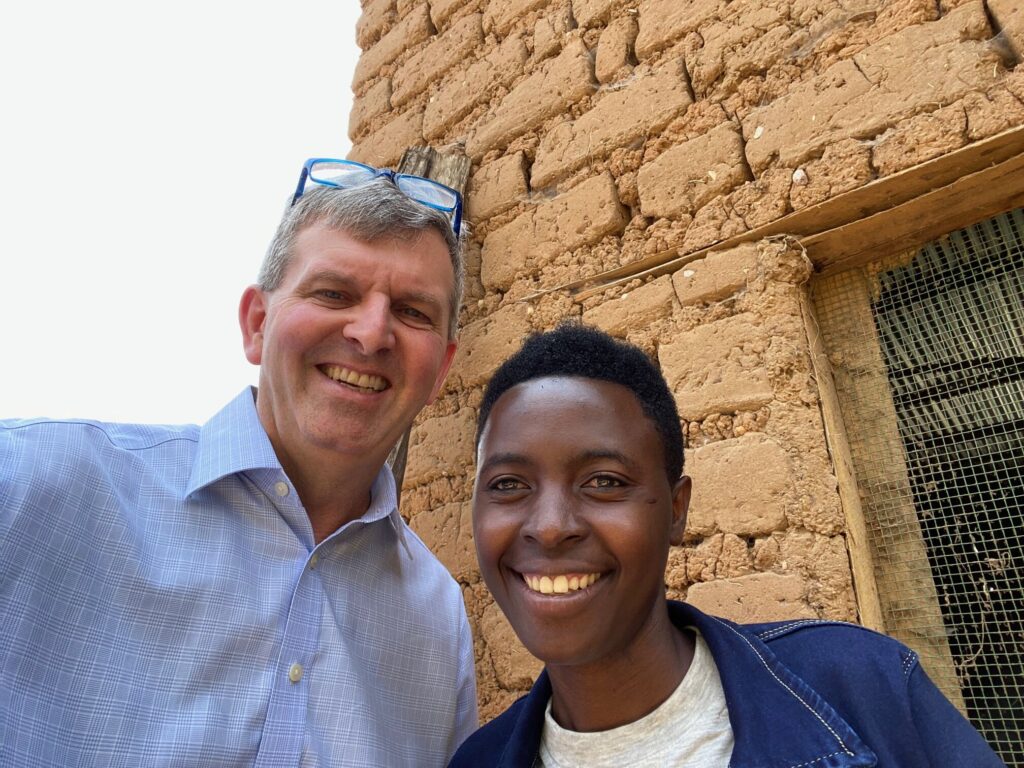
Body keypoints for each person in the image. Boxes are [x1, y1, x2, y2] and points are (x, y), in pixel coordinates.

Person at [0, 158, 477, 767]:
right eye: (334, 293)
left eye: (413, 312)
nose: (371, 332)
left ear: (441, 370)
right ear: (256, 324)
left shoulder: (436, 616)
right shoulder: (44, 485)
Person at [450, 323, 1005, 767]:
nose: (549, 528)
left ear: (675, 509)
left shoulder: (861, 689)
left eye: (604, 482)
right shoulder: (477, 760)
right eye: (508, 485)